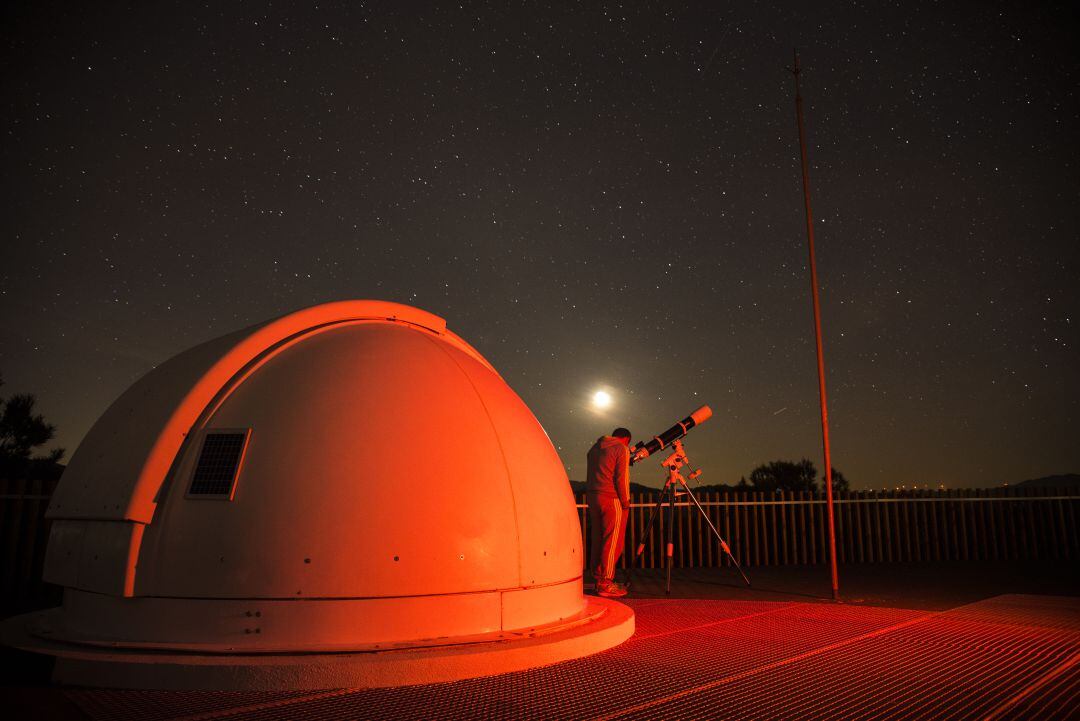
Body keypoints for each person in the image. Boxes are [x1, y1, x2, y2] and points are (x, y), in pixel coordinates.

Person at [586, 427, 632, 598]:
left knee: (598, 539)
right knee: (613, 541)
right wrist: (626, 502)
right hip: (612, 499)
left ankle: (598, 579)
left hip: (593, 497)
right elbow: (622, 477)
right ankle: (606, 582)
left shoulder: (595, 448)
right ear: (626, 439)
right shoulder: (621, 448)